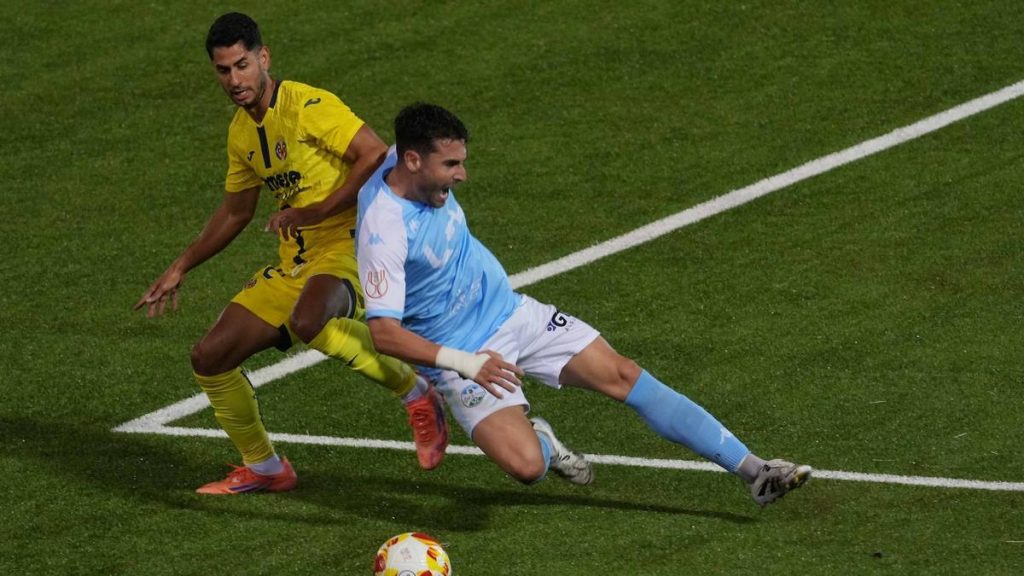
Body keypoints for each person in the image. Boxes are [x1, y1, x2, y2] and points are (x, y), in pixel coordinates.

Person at [355, 103, 812, 506]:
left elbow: (366, 154)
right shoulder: (385, 229)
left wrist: (310, 214)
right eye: (450, 164)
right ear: (413, 160)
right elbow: (384, 334)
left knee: (624, 374)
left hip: (512, 313)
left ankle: (755, 472)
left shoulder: (400, 159)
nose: (461, 176)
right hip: (462, 356)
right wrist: (465, 363)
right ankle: (546, 446)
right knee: (526, 467)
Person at [133, 14, 448, 494]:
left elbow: (376, 153)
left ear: (264, 58)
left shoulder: (307, 105)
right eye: (223, 71)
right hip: (297, 262)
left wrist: (317, 210)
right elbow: (237, 212)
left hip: (354, 245)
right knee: (210, 356)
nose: (235, 80)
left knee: (310, 320)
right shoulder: (242, 133)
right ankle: (264, 468)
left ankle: (416, 391)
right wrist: (181, 265)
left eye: (242, 65)